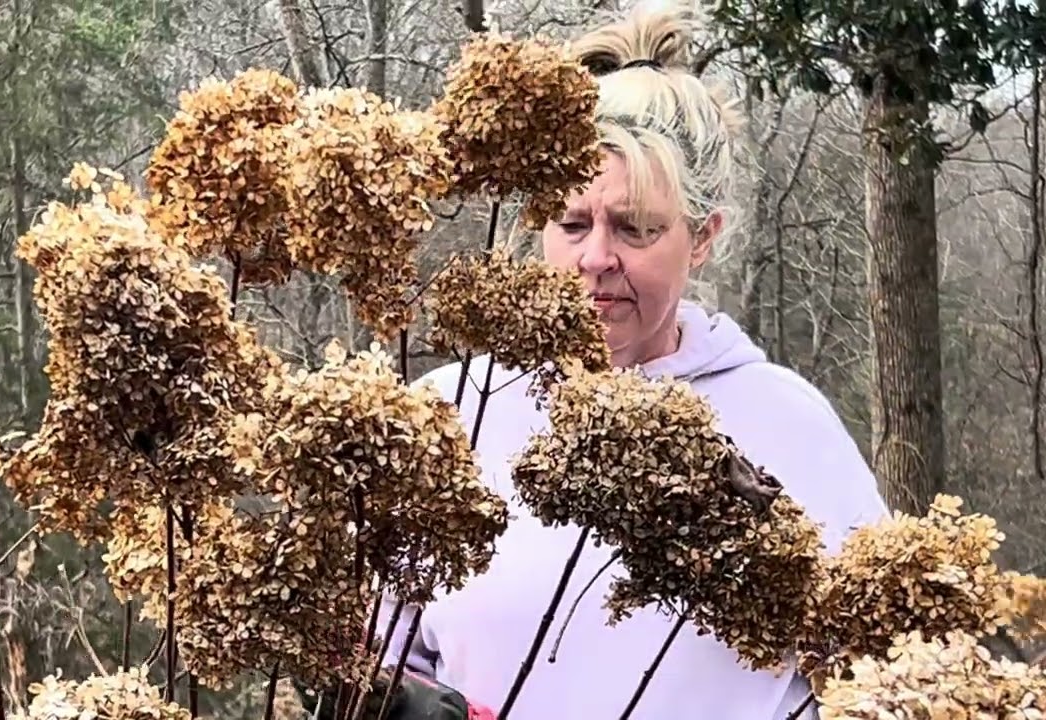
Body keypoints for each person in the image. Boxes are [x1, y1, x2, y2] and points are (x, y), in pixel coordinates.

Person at [372, 4, 890, 720]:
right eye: (573, 223)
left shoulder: (789, 425)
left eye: (637, 227)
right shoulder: (451, 415)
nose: (597, 258)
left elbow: (879, 668)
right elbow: (372, 653)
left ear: (702, 237)